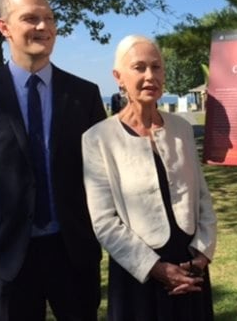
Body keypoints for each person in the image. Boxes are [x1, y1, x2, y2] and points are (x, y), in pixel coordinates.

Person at [0, 0, 106, 320]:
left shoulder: (85, 94)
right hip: (11, 255)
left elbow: (101, 169)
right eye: (30, 18)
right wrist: (14, 203)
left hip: (73, 250)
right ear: (3, 27)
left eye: (49, 18)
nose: (43, 27)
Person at [81, 34, 217, 320]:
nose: (149, 76)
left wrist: (203, 254)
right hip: (138, 272)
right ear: (119, 77)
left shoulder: (181, 128)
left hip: (190, 263)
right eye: (139, 68)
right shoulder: (98, 139)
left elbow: (201, 196)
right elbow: (104, 221)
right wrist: (156, 269)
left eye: (156, 67)